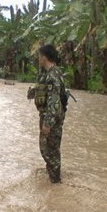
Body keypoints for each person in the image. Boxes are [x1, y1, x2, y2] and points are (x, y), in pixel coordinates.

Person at [33, 44, 66, 183]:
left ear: (45, 57)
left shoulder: (53, 76)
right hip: (50, 116)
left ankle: (55, 180)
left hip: (51, 118)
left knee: (48, 149)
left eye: (40, 56)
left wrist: (48, 123)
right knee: (50, 148)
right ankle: (53, 176)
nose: (39, 59)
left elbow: (54, 100)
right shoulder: (50, 73)